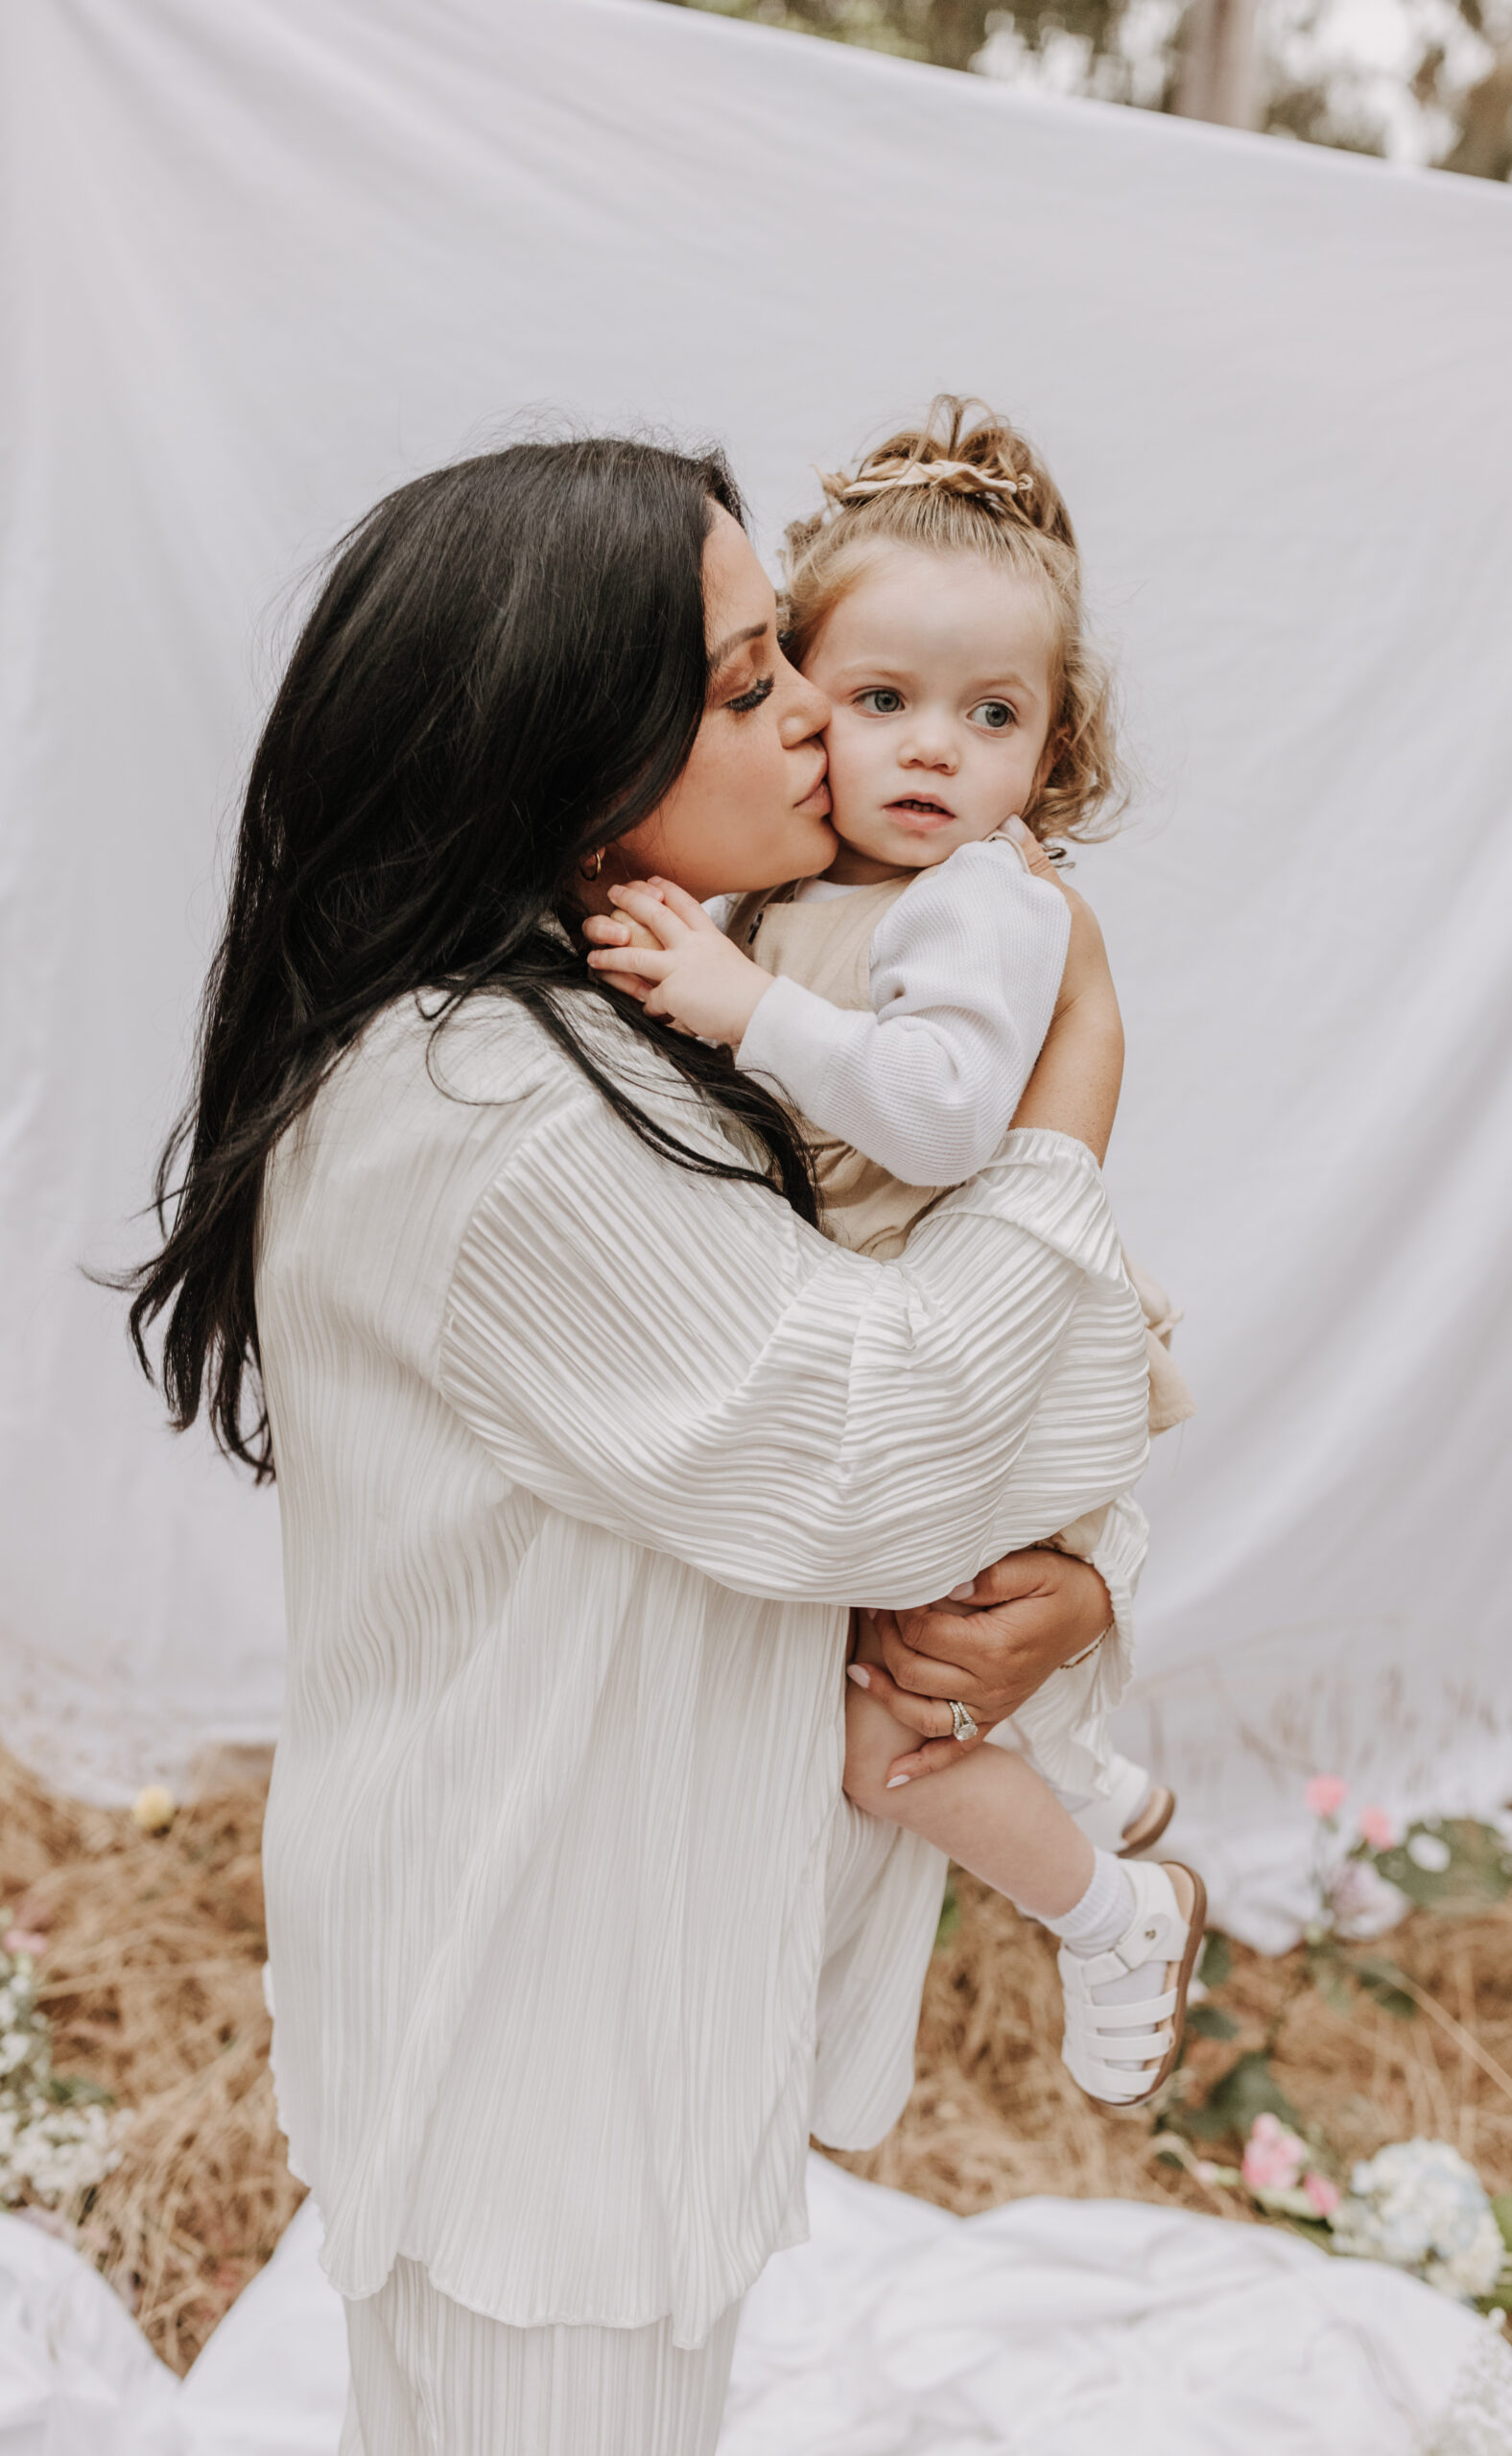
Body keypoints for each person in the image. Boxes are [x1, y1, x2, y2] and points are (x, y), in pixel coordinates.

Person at [124, 436, 1151, 2455]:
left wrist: (1082, 1581)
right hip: (547, 2043)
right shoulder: (497, 1104)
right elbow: (876, 1448)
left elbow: (849, 1392)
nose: (818, 724)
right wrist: (1072, 1085)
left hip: (554, 1984)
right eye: (755, 672)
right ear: (569, 742)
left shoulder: (599, 1029)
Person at [582, 402, 1203, 2109]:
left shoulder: (985, 901)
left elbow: (932, 1120)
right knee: (895, 1688)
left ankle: (1114, 1912)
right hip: (904, 1338)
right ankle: (1097, 1792)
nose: (935, 751)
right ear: (800, 699)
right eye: (882, 704)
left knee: (889, 1738)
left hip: (988, 1362)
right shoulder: (796, 895)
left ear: (1050, 746)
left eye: (990, 715)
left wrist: (741, 1003)